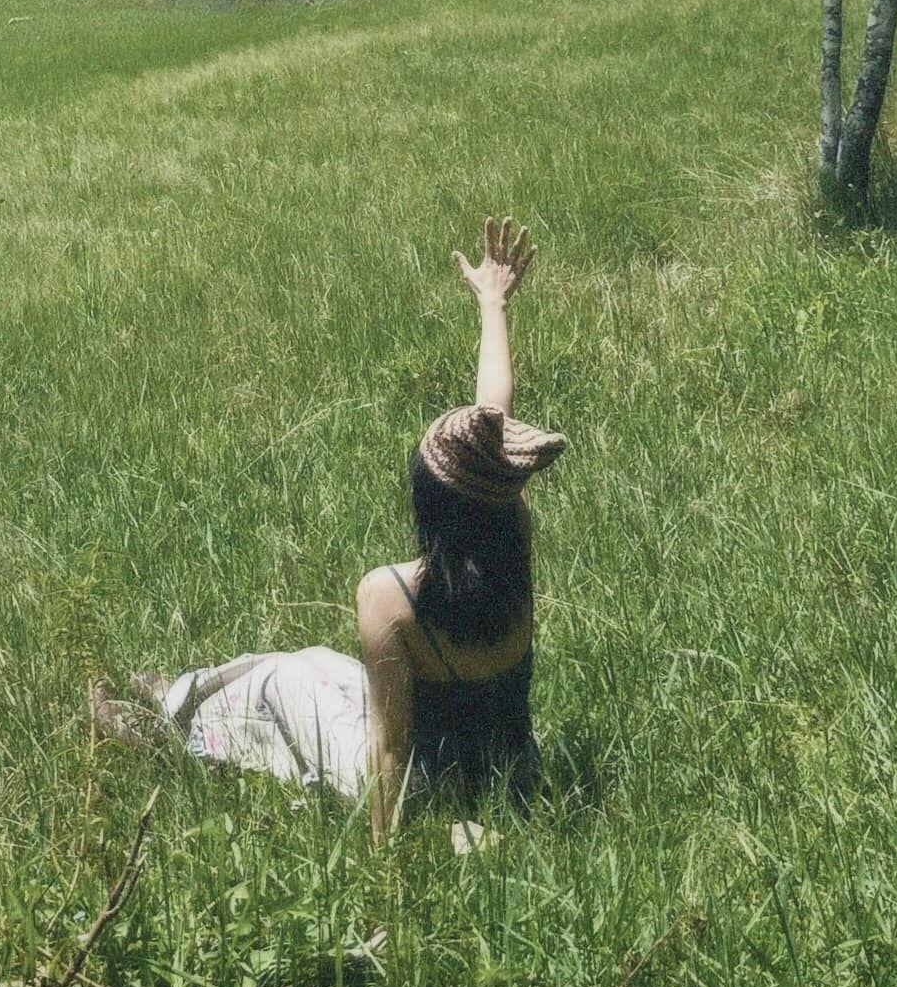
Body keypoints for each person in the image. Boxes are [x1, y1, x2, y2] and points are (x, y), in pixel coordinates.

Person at [92, 219, 565, 839]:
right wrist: (492, 306)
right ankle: (180, 694)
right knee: (317, 663)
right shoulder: (512, 532)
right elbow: (491, 426)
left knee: (284, 689)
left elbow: (389, 754)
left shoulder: (389, 596)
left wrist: (385, 874)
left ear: (430, 509)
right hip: (508, 768)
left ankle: (167, 725)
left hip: (426, 786)